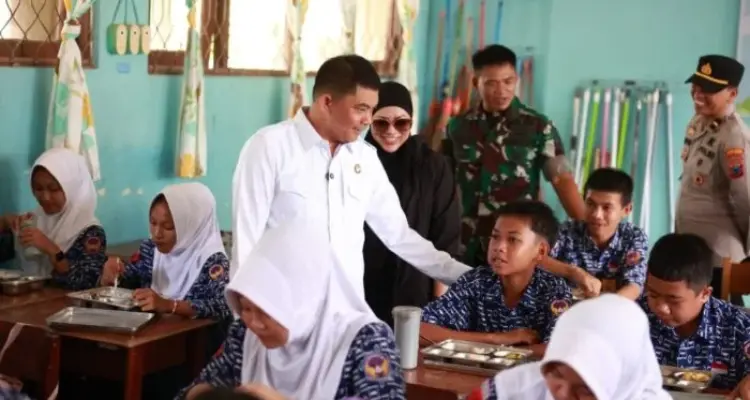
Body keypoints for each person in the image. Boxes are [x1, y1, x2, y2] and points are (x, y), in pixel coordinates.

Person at [231, 54, 470, 295]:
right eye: (361, 109)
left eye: (371, 110)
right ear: (327, 102)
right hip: (282, 308)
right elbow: (246, 244)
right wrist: (247, 312)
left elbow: (400, 236)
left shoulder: (364, 158)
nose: (368, 120)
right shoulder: (269, 148)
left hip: (345, 312)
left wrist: (469, 277)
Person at [178, 221, 405, 400]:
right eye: (246, 307)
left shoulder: (366, 341)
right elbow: (197, 388)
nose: (253, 323)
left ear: (303, 302)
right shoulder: (244, 335)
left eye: (266, 311)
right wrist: (200, 393)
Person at [441, 45, 585, 268]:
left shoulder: (538, 126)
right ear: (476, 83)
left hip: (518, 244)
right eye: (491, 83)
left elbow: (562, 180)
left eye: (508, 81)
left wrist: (588, 231)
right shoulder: (457, 128)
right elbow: (442, 182)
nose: (501, 91)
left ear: (516, 79)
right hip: (467, 241)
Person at [363, 81, 460, 325]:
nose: (391, 131)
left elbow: (445, 236)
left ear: (411, 122)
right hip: (361, 286)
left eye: (401, 123)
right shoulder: (355, 162)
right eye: (381, 122)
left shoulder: (432, 166)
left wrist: (439, 307)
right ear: (369, 121)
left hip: (414, 289)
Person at [420, 201, 572, 356]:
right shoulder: (476, 281)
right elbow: (420, 330)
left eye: (512, 240)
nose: (498, 247)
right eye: (495, 236)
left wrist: (502, 354)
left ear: (540, 251)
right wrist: (495, 339)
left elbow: (559, 348)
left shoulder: (553, 290)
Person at [467, 294, 671, 400]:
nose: (562, 394)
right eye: (555, 373)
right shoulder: (514, 389)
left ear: (623, 382)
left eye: (585, 390)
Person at [100, 182, 231, 322]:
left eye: (168, 226)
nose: (157, 234)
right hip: (149, 330)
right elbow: (129, 282)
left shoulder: (213, 262)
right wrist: (113, 276)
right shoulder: (150, 249)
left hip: (192, 334)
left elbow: (221, 306)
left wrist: (170, 306)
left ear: (191, 226)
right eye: (153, 223)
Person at [642, 233, 750, 397]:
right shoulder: (633, 318)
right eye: (653, 294)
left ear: (705, 294)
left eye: (674, 300)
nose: (661, 308)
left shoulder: (737, 328)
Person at [676, 54, 749, 292]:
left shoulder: (734, 138)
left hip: (718, 258)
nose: (698, 94)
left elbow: (745, 199)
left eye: (708, 89)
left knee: (722, 313)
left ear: (732, 94)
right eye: (696, 86)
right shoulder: (698, 123)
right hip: (691, 254)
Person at [2, 148, 105, 290]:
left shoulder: (91, 232)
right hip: (30, 299)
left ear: (71, 188)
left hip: (65, 302)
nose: (45, 197)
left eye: (54, 189)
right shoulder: (31, 220)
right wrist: (4, 221)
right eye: (38, 189)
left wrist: (50, 248)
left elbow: (85, 282)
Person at [543, 168, 647, 300]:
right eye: (590, 204)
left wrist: (603, 308)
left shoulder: (633, 237)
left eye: (607, 208)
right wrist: (573, 272)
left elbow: (634, 285)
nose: (596, 215)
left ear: (626, 210)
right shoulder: (567, 231)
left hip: (615, 307)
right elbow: (537, 259)